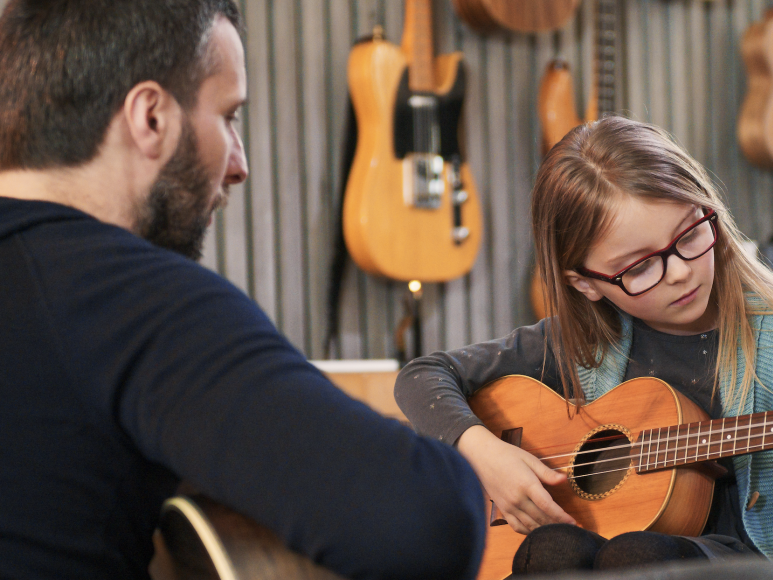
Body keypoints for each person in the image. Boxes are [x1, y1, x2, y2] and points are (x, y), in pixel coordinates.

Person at [0, 1, 484, 578]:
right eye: (228, 117)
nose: (240, 164)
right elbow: (430, 517)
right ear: (150, 117)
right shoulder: (130, 299)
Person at [395, 116, 773, 573]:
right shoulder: (584, 341)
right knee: (552, 550)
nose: (679, 272)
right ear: (585, 283)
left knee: (636, 557)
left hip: (766, 565)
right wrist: (484, 451)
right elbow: (422, 376)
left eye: (690, 234)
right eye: (639, 267)